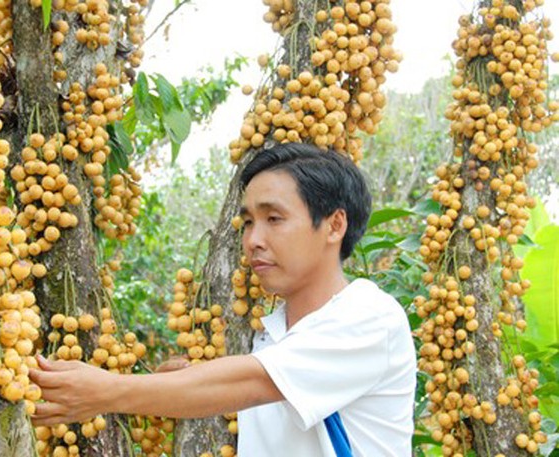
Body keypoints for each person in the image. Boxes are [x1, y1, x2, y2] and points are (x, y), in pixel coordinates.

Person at [30, 143, 416, 456]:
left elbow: (252, 380)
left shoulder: (369, 317)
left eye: (274, 219)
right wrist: (180, 384)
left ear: (334, 225)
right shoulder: (274, 333)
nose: (253, 240)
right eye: (248, 222)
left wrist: (106, 391)